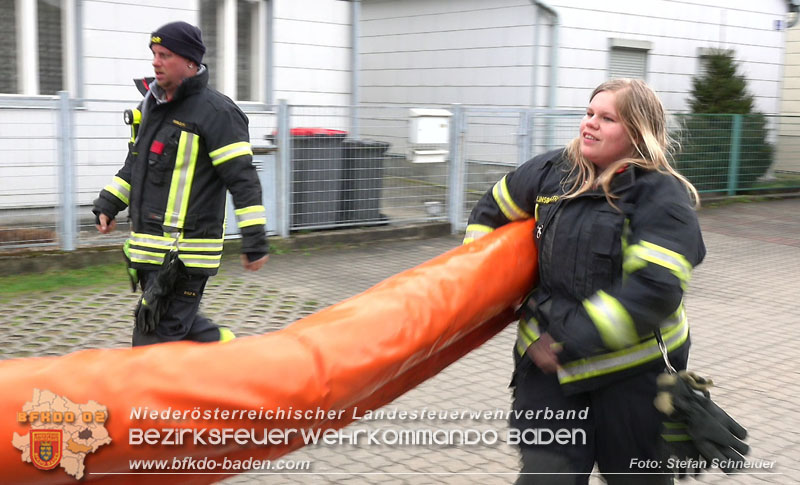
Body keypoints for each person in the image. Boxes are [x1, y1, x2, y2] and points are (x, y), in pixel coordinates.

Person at [464, 78, 705, 484]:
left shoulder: (662, 197)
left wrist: (568, 341)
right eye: (589, 113)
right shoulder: (552, 172)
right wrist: (482, 286)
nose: (589, 124)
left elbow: (654, 290)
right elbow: (491, 208)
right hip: (548, 376)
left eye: (607, 118)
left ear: (637, 131)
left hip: (634, 379)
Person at [92, 21, 269, 346]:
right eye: (154, 54)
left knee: (152, 338)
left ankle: (148, 395)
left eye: (165, 55)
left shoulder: (218, 113)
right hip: (149, 250)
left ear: (190, 61)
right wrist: (108, 204)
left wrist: (254, 239)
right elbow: (137, 165)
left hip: (184, 255)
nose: (156, 62)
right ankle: (219, 345)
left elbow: (243, 181)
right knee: (178, 326)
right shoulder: (153, 105)